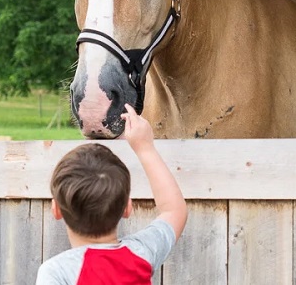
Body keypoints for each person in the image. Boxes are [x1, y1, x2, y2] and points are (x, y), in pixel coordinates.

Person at [36, 104, 187, 284]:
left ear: (56, 209)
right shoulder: (141, 252)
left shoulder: (56, 272)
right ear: (127, 208)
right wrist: (145, 148)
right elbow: (174, 211)